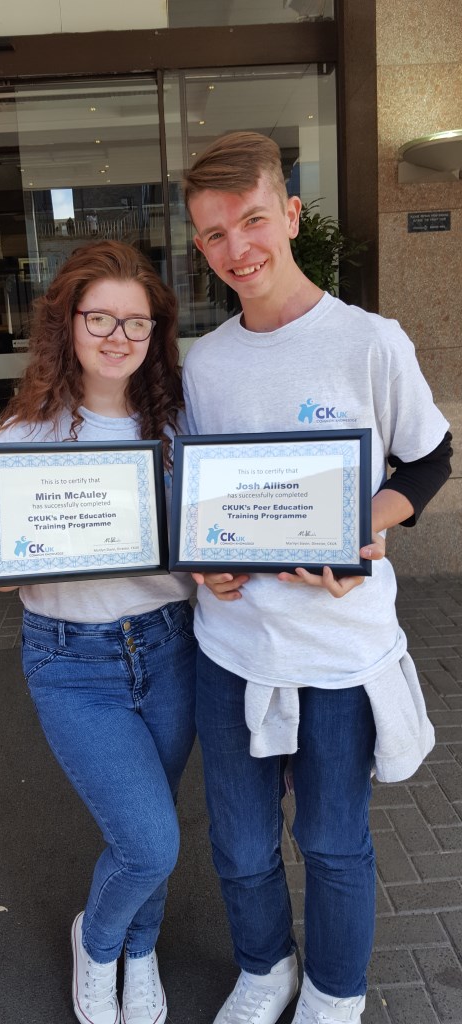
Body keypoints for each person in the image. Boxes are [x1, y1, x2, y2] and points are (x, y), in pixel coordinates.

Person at [182, 132, 452, 1024]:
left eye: (253, 220)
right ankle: (265, 971)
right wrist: (206, 565)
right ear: (198, 244)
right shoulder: (206, 362)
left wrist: (361, 528)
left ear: (291, 214)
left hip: (340, 649)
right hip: (232, 647)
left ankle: (336, 991)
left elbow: (430, 459)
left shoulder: (372, 343)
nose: (238, 249)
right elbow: (205, 497)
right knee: (241, 844)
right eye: (214, 234)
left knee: (334, 842)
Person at [0, 240, 197, 1024]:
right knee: (151, 842)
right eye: (102, 317)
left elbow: (213, 537)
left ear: (157, 330)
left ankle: (141, 946)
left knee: (153, 818)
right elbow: (19, 576)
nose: (120, 336)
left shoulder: (180, 425)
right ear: (70, 322)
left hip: (170, 647)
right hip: (71, 662)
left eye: (138, 321)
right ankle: (96, 943)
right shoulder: (26, 433)